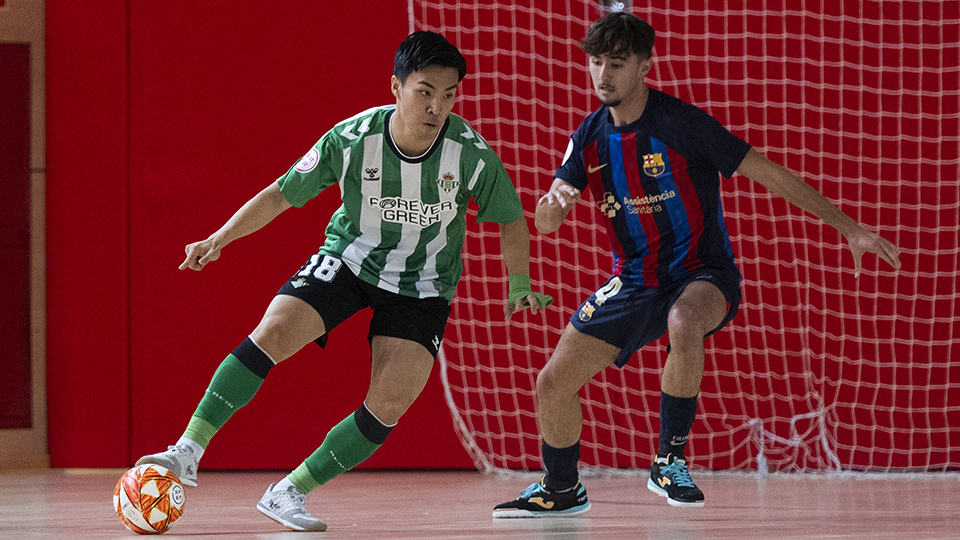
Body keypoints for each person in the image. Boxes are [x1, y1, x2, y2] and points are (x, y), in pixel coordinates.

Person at [135, 31, 552, 532]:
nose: (437, 106)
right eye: (425, 91)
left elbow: (510, 219)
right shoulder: (352, 138)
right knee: (272, 332)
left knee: (389, 405)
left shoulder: (471, 155)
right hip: (349, 262)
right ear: (396, 87)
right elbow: (281, 194)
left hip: (422, 286)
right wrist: (219, 238)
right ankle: (186, 451)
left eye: (449, 94)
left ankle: (289, 491)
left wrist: (519, 281)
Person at [493, 12, 901, 517]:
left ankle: (670, 460)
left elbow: (769, 173)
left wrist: (848, 227)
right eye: (596, 62)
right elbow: (547, 221)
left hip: (702, 272)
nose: (603, 75)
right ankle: (561, 489)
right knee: (551, 382)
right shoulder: (589, 136)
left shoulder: (683, 125)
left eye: (616, 64)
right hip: (635, 279)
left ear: (645, 65)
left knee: (683, 321)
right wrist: (551, 208)